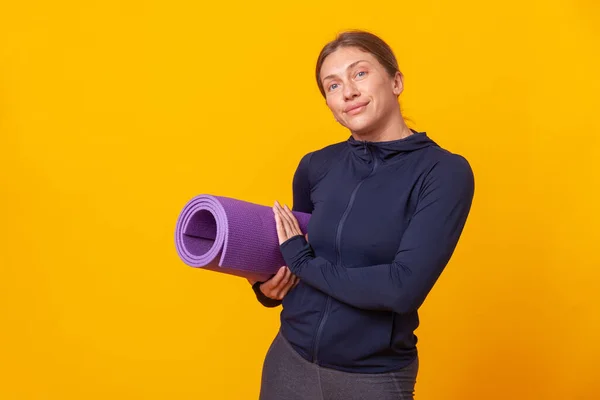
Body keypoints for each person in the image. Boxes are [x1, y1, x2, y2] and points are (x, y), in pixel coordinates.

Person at [249, 30, 475, 400]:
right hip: (289, 361)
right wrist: (266, 288)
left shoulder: (443, 173)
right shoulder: (315, 166)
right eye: (332, 85)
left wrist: (302, 262)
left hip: (371, 378)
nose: (348, 92)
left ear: (396, 81)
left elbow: (401, 289)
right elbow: (293, 256)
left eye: (359, 74)